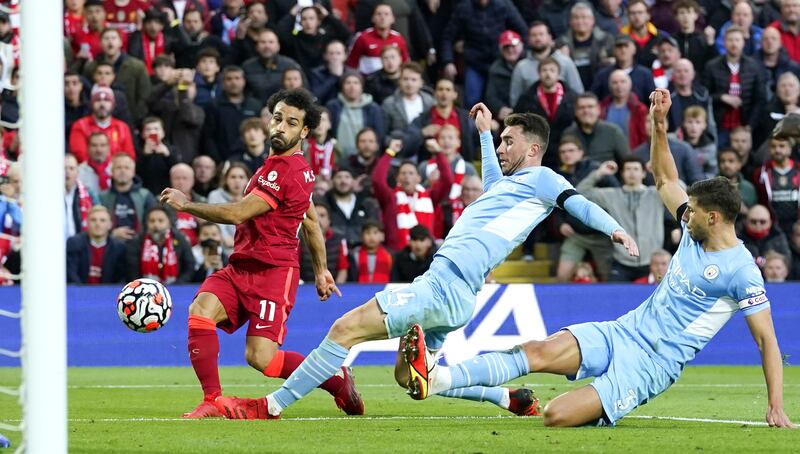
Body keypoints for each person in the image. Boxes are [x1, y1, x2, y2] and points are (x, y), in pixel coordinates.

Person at [210, 102, 639, 420]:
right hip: (457, 293)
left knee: (345, 329)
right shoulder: (515, 188)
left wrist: (614, 229)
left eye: (511, 141)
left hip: (444, 284)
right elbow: (492, 183)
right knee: (413, 379)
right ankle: (508, 398)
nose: (503, 147)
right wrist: (486, 135)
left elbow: (577, 204)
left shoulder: (543, 179)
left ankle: (269, 407)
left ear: (533, 149)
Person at [402, 88, 795, 429]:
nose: (684, 214)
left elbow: (767, 341)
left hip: (650, 365)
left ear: (715, 217)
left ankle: (448, 381)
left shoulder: (742, 272)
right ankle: (436, 379)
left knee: (555, 415)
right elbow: (664, 179)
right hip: (623, 331)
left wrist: (775, 404)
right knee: (537, 350)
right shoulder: (696, 226)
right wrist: (659, 124)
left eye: (692, 210)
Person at [160, 88, 363, 419]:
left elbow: (240, 213)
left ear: (305, 131)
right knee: (200, 310)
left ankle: (336, 380)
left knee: (262, 359)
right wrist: (322, 270)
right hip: (240, 267)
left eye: (291, 123)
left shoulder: (286, 171)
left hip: (273, 273)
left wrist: (187, 205)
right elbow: (310, 223)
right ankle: (212, 399)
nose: (281, 127)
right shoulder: (281, 167)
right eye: (278, 118)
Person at [577, 156, 662, 282]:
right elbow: (580, 193)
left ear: (644, 173)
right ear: (622, 173)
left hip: (651, 262)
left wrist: (658, 172)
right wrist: (599, 173)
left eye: (635, 169)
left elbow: (681, 189)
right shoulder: (612, 195)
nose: (632, 172)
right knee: (615, 298)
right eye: (628, 169)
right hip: (621, 262)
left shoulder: (656, 193)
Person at [126, 206, 196, 284]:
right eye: (152, 221)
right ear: (146, 223)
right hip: (145, 289)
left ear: (169, 222)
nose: (156, 225)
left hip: (176, 288)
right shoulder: (137, 241)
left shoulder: (180, 239)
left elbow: (189, 266)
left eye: (161, 221)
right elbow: (132, 271)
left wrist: (178, 284)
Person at [99, 153, 157, 242]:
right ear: (112, 172)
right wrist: (112, 234)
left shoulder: (146, 196)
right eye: (118, 167)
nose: (123, 171)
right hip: (111, 246)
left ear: (133, 172)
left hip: (139, 247)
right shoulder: (102, 197)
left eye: (127, 168)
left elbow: (153, 224)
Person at [69, 86, 136, 163]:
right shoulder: (80, 125)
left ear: (113, 104)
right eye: (98, 100)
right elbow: (80, 154)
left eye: (106, 100)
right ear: (91, 104)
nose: (102, 104)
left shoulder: (122, 127)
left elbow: (129, 155)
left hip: (117, 172)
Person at [67, 202, 128, 284]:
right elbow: (71, 275)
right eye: (93, 220)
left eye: (102, 220)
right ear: (87, 223)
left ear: (110, 225)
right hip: (79, 294)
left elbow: (121, 279)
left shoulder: (119, 248)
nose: (98, 224)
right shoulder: (74, 243)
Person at [753, 136, 800, 236]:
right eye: (773, 146)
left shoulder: (798, 170)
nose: (777, 150)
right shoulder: (761, 173)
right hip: (771, 228)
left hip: (797, 227)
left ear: (790, 148)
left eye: (782, 146)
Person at [346, 4, 409, 75]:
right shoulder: (362, 38)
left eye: (386, 14)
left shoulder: (399, 38)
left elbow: (406, 64)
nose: (382, 17)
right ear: (373, 18)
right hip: (368, 82)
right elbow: (351, 65)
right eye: (379, 14)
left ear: (393, 19)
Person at [324, 167, 379, 247]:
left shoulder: (366, 204)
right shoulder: (325, 204)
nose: (343, 181)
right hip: (334, 251)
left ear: (354, 181)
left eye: (347, 177)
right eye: (339, 177)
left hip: (362, 252)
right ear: (332, 181)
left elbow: (375, 227)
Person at [299, 201, 349, 284]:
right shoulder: (299, 237)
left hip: (331, 286)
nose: (318, 219)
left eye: (322, 215)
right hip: (305, 287)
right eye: (314, 215)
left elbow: (343, 270)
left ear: (329, 220)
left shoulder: (339, 239)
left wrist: (335, 287)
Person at [485, 30, 525, 123]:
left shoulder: (530, 64)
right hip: (506, 113)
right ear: (501, 49)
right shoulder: (495, 69)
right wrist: (500, 108)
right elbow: (491, 95)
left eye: (513, 46)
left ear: (521, 46)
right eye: (506, 47)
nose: (510, 50)